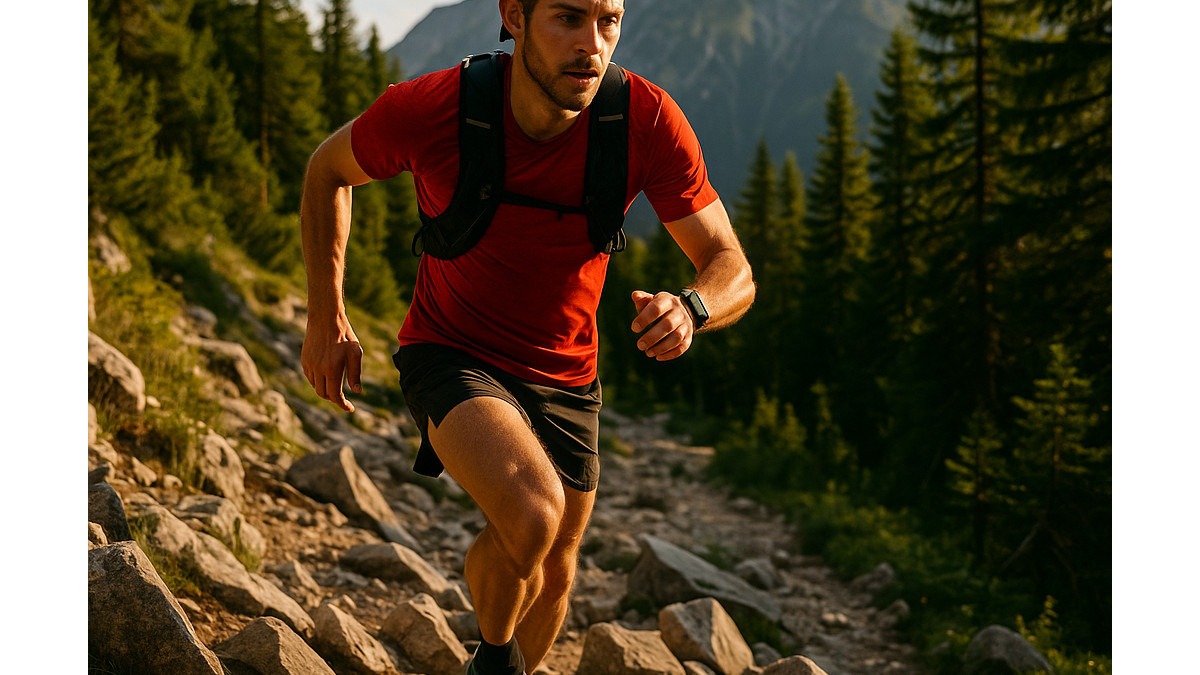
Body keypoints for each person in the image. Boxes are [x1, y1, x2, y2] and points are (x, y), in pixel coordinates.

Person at [300, 1, 755, 672]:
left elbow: (731, 265)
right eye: (567, 18)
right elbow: (327, 170)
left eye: (608, 21)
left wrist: (692, 307)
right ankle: (491, 659)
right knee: (533, 514)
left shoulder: (645, 120)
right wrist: (325, 314)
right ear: (514, 15)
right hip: (451, 351)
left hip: (568, 375)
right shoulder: (437, 108)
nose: (591, 44)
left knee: (556, 573)